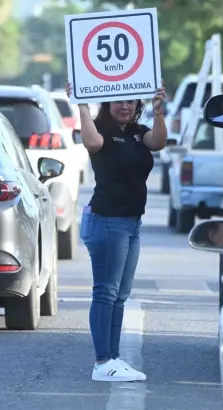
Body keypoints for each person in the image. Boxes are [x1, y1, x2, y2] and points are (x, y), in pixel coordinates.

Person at [66, 80, 167, 382]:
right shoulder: (100, 130)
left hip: (131, 222)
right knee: (106, 292)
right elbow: (92, 144)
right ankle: (101, 361)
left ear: (138, 105)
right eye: (118, 101)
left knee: (120, 295)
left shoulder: (137, 133)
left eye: (131, 101)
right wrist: (81, 103)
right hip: (108, 221)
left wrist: (159, 111)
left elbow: (159, 142)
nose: (125, 106)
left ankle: (113, 359)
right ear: (107, 104)